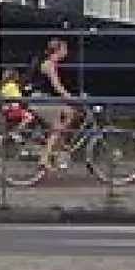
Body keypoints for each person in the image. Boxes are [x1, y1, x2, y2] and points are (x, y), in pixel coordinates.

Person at [28, 37, 81, 171]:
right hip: (40, 99)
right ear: (57, 50)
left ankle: (59, 145)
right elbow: (57, 86)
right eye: (65, 48)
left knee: (70, 113)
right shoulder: (49, 65)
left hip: (44, 99)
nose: (67, 51)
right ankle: (45, 157)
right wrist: (70, 97)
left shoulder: (51, 64)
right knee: (57, 126)